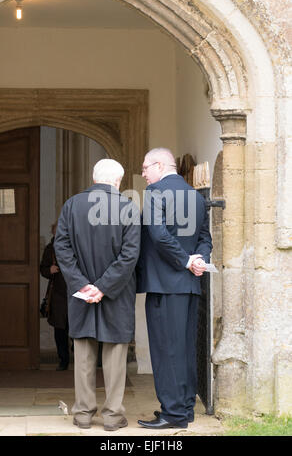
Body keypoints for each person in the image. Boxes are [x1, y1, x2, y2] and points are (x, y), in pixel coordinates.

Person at [54, 159, 141, 431]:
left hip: (81, 294)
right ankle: (113, 417)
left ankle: (82, 415)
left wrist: (82, 285)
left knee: (83, 356)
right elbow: (130, 255)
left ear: (93, 177)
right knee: (115, 357)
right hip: (117, 292)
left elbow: (62, 247)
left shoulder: (72, 205)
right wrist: (103, 286)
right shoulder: (128, 206)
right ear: (119, 181)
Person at [136, 147, 212, 430]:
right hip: (190, 283)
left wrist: (184, 261)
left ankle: (173, 414)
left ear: (159, 165)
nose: (143, 174)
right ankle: (184, 409)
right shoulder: (195, 195)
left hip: (165, 284)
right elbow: (205, 237)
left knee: (166, 349)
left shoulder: (156, 192)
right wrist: (197, 259)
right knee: (184, 349)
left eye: (145, 168)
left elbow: (157, 233)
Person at [40, 222, 70, 371]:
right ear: (53, 233)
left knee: (77, 329)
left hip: (75, 293)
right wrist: (49, 269)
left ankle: (82, 359)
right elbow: (43, 268)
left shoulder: (75, 246)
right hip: (58, 295)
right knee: (60, 330)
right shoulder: (50, 249)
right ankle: (63, 360)